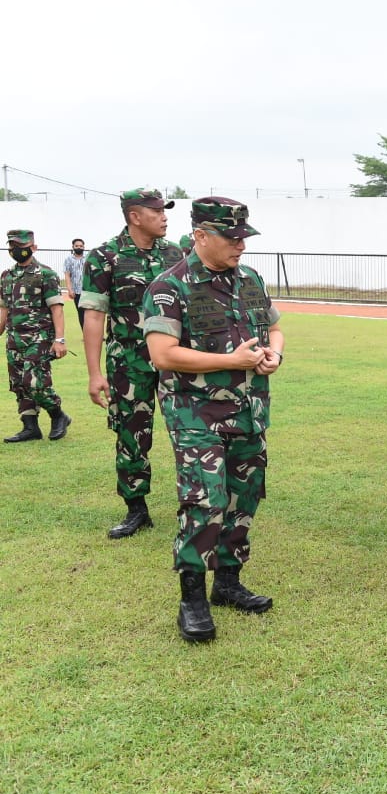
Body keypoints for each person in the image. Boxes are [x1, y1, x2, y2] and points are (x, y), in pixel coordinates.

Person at [141, 197, 283, 643]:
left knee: (245, 495)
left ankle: (228, 582)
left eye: (244, 236)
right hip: (195, 413)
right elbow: (162, 353)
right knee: (204, 500)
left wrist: (273, 352)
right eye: (231, 237)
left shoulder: (251, 279)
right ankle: (193, 598)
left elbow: (274, 326)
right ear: (201, 235)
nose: (240, 245)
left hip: (249, 409)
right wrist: (230, 358)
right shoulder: (170, 286)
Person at [80, 188, 186, 538]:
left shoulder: (176, 254)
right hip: (128, 361)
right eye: (156, 211)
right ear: (134, 216)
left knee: (187, 429)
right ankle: (136, 508)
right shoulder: (104, 257)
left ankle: (195, 504)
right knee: (132, 433)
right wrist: (95, 373)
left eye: (164, 210)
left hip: (174, 358)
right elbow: (94, 316)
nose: (164, 216)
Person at [1, 229, 71, 443]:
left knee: (35, 382)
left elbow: (57, 309)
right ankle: (30, 427)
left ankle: (58, 415)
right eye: (12, 246)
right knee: (19, 384)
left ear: (33, 247)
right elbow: (3, 308)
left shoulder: (46, 274)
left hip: (39, 337)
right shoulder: (6, 276)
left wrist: (59, 340)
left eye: (21, 246)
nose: (16, 250)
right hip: (14, 338)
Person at [63, 239, 86, 328]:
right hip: (76, 292)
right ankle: (85, 334)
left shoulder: (88, 258)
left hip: (87, 291)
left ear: (84, 247)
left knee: (90, 314)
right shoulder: (68, 259)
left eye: (81, 246)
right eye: (77, 246)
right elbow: (67, 275)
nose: (79, 247)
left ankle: (93, 334)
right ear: (73, 247)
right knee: (81, 313)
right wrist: (70, 289)